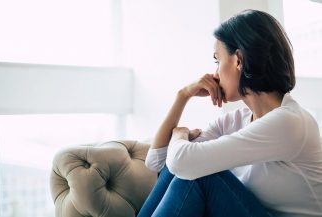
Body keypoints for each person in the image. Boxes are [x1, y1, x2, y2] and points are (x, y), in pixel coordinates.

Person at [137, 9, 322, 217]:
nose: (214, 74)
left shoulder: (290, 122)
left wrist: (180, 134)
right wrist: (182, 96)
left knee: (202, 174)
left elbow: (183, 162)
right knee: (192, 168)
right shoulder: (235, 121)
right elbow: (159, 163)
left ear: (238, 60)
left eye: (218, 60)